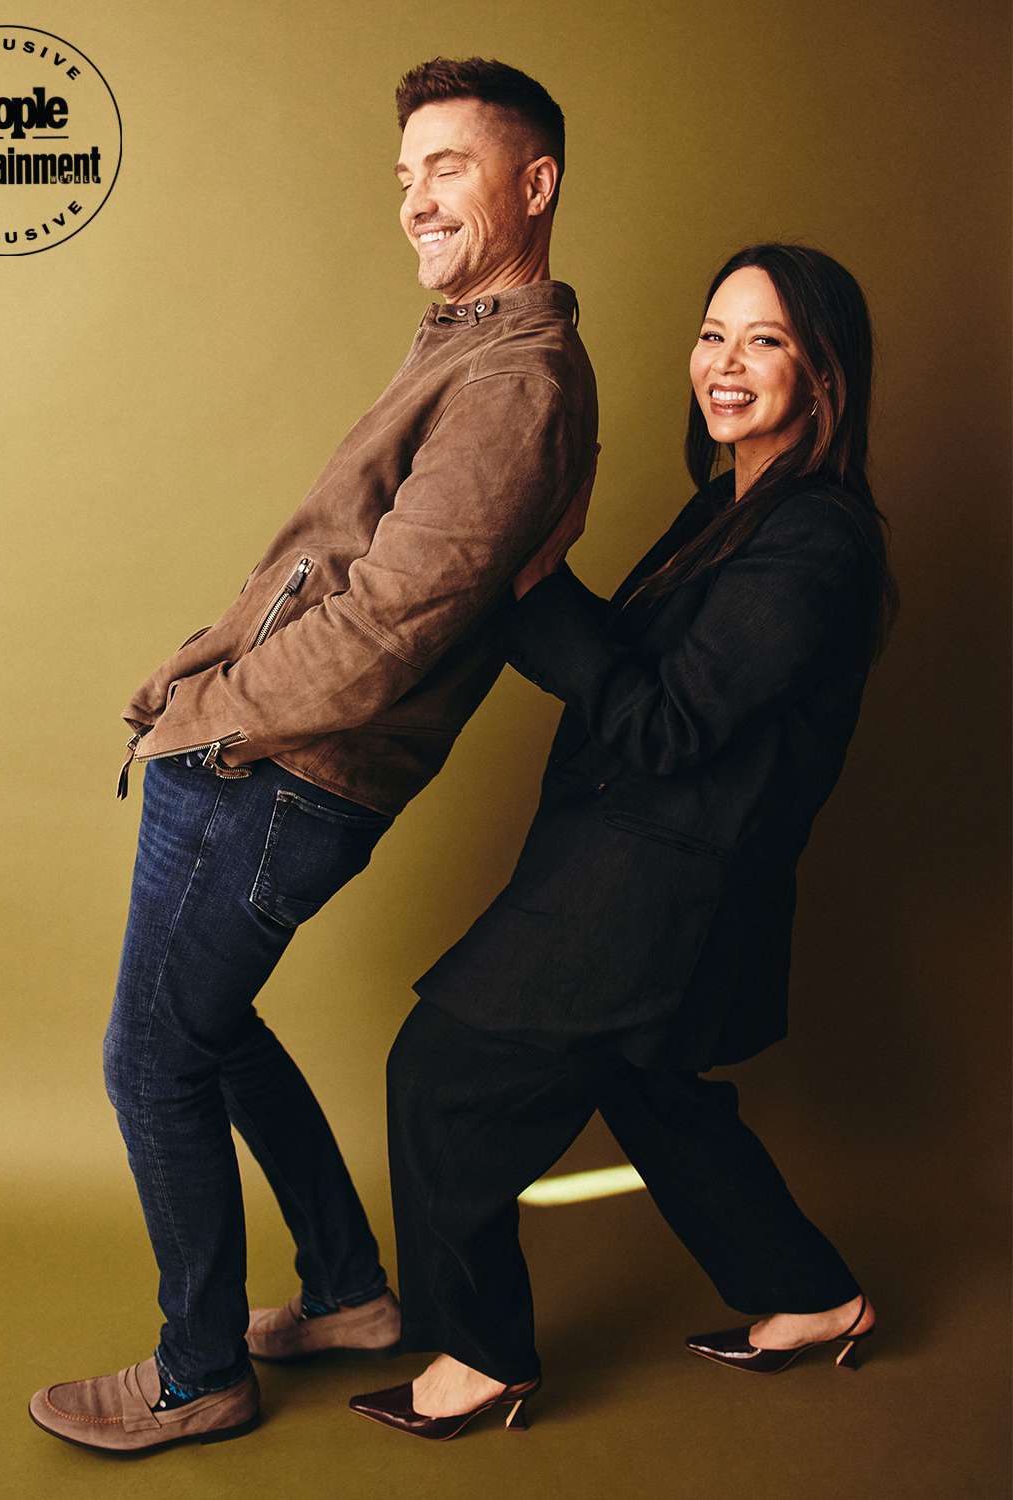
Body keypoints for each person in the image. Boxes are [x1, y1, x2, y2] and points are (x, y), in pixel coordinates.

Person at [28, 56, 598, 1455]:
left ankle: (195, 1372)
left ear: (534, 185)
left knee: (152, 1058)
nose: (413, 200)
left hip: (281, 778)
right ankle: (345, 1290)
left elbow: (384, 634)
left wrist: (206, 718)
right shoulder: (464, 337)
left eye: (446, 168)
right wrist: (200, 654)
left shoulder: (516, 379)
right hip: (262, 753)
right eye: (405, 174)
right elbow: (323, 561)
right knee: (209, 1032)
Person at [350, 243, 898, 1441]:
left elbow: (661, 722)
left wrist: (526, 587)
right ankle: (810, 1298)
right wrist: (535, 584)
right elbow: (649, 672)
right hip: (647, 863)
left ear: (822, 370)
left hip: (657, 885)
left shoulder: (815, 541)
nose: (725, 364)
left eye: (764, 340)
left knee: (438, 1078)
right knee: (657, 1096)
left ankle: (483, 1357)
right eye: (713, 334)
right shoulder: (734, 507)